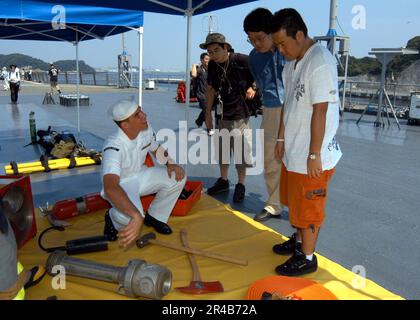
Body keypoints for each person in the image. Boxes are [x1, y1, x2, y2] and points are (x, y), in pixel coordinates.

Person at [270, 8, 342, 276]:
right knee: (295, 202)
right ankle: (299, 242)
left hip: (313, 154)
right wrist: (281, 137)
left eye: (282, 44)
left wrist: (314, 154)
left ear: (298, 35)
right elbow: (288, 104)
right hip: (294, 148)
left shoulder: (320, 61)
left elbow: (320, 110)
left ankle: (307, 258)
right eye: (277, 45)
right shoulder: (291, 63)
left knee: (309, 207)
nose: (280, 50)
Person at [101, 99, 186, 248]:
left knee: (178, 177)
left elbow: (155, 148)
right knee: (130, 218)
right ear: (125, 125)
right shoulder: (113, 146)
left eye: (141, 111)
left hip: (141, 174)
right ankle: (112, 218)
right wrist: (135, 216)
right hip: (122, 184)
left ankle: (155, 217)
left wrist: (171, 163)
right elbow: (110, 187)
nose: (144, 115)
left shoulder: (145, 129)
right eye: (137, 115)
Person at [201, 32, 256, 203]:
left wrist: (253, 86)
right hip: (221, 114)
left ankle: (241, 183)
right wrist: (207, 114)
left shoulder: (242, 60)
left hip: (240, 113)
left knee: (240, 151)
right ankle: (224, 180)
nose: (212, 55)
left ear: (226, 47)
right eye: (209, 52)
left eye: (216, 51)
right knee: (222, 150)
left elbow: (260, 73)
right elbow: (210, 89)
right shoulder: (212, 66)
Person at [244, 8, 287, 222]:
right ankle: (274, 204)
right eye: (251, 40)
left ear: (271, 32)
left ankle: (299, 204)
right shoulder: (254, 58)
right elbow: (260, 83)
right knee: (270, 158)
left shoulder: (289, 50)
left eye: (260, 38)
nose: (256, 44)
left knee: (298, 158)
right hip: (271, 110)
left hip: (296, 108)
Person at [191, 52, 214, 136]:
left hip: (210, 94)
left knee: (207, 109)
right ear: (202, 60)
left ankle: (199, 121)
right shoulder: (200, 69)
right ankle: (210, 129)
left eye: (209, 59)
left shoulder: (211, 69)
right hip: (201, 94)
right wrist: (194, 65)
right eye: (206, 59)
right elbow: (193, 75)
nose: (208, 60)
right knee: (207, 111)